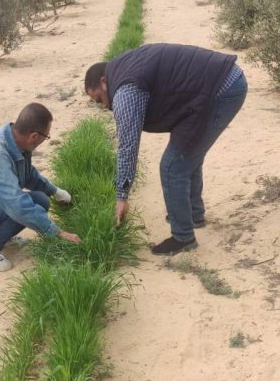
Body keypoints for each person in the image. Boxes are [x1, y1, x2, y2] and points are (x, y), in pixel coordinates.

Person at [84, 43, 247, 255]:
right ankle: (194, 215)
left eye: (99, 99)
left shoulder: (125, 90)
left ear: (104, 82)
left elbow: (128, 145)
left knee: (172, 166)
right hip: (216, 83)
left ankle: (183, 238)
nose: (103, 106)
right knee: (188, 155)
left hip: (221, 90)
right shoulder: (123, 67)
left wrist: (122, 196)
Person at [0, 102, 80, 271]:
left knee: (41, 199)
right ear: (34, 136)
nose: (45, 140)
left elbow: (28, 175)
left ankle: (4, 237)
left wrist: (55, 191)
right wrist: (57, 232)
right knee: (20, 206)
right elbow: (15, 203)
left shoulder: (16, 142)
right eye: (46, 136)